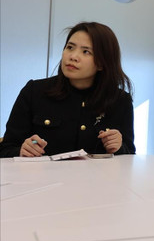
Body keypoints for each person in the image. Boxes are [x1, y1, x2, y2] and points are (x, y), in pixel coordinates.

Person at [0, 21, 134, 157]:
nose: (73, 57)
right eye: (70, 47)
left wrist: (119, 148)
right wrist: (22, 150)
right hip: (43, 177)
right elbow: (6, 149)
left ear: (101, 63)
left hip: (96, 178)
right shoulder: (34, 92)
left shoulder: (120, 101)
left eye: (86, 52)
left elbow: (129, 158)